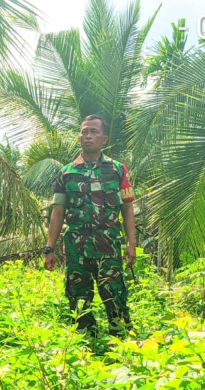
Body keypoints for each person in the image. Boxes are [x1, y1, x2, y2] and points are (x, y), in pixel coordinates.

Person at [42, 115, 136, 338]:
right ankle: (88, 349)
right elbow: (58, 212)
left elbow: (128, 208)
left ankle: (122, 349)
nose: (88, 136)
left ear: (104, 138)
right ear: (79, 137)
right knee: (79, 300)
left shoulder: (117, 170)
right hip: (76, 249)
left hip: (109, 246)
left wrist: (132, 243)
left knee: (116, 297)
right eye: (84, 132)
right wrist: (49, 248)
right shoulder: (66, 173)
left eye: (93, 131)